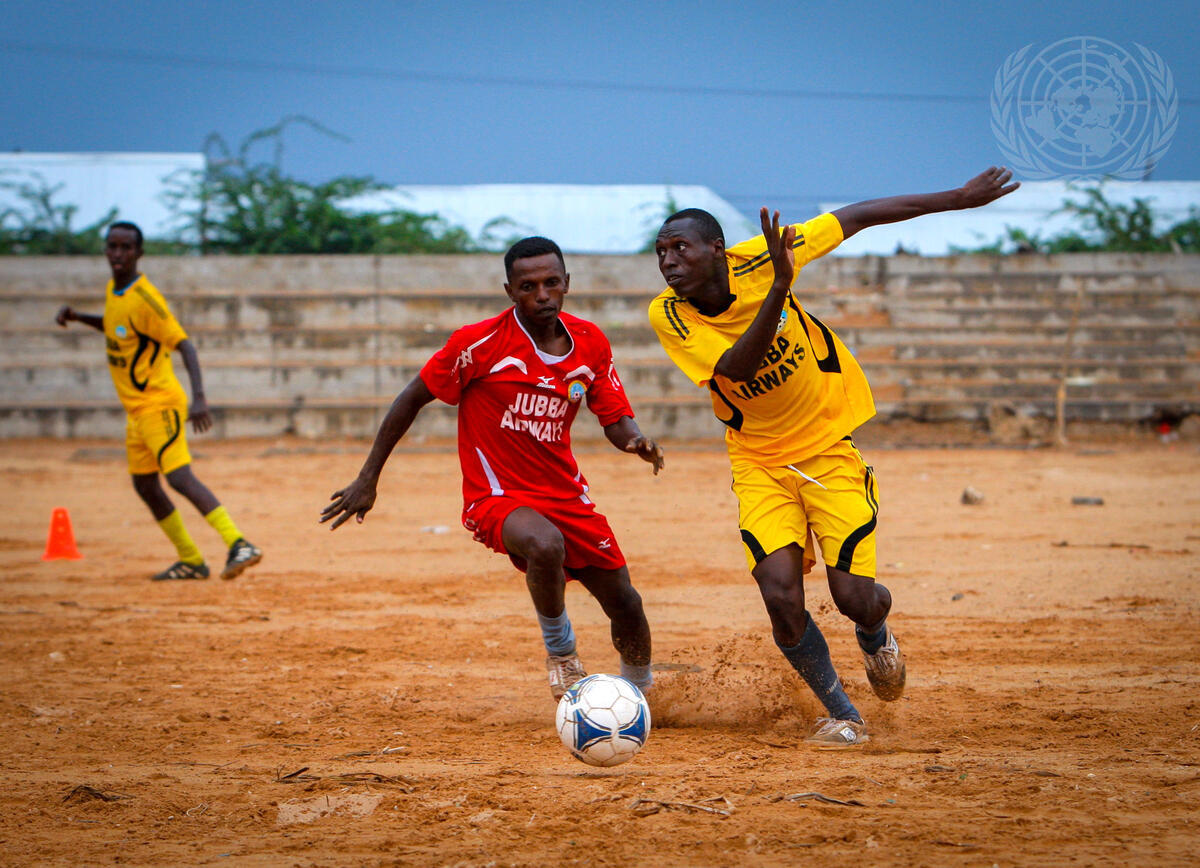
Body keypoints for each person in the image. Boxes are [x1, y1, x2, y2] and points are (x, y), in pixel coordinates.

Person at [648, 167, 1019, 745]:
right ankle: (844, 715)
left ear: (717, 249)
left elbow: (858, 215)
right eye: (661, 252)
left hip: (827, 449)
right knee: (780, 597)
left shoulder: (764, 256)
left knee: (854, 600)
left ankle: (876, 635)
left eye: (680, 248)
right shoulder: (669, 313)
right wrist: (781, 288)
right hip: (759, 463)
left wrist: (958, 198)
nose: (669, 262)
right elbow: (737, 369)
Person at [321, 236, 664, 700]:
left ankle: (641, 694)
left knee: (626, 603)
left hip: (566, 495)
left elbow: (615, 416)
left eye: (551, 283)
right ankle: (562, 656)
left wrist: (635, 440)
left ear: (567, 283)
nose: (542, 295)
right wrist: (368, 478)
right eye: (528, 286)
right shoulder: (477, 343)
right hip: (496, 497)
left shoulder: (590, 343)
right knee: (545, 544)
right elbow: (411, 398)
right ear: (509, 291)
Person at [55, 221, 262, 581]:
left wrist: (200, 398)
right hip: (137, 410)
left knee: (179, 477)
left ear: (139, 253)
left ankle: (239, 543)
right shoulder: (116, 290)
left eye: (126, 247)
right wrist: (79, 317)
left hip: (159, 404)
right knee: (145, 485)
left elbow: (185, 345)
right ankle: (191, 560)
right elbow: (118, 326)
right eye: (112, 246)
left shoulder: (147, 299)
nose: (118, 253)